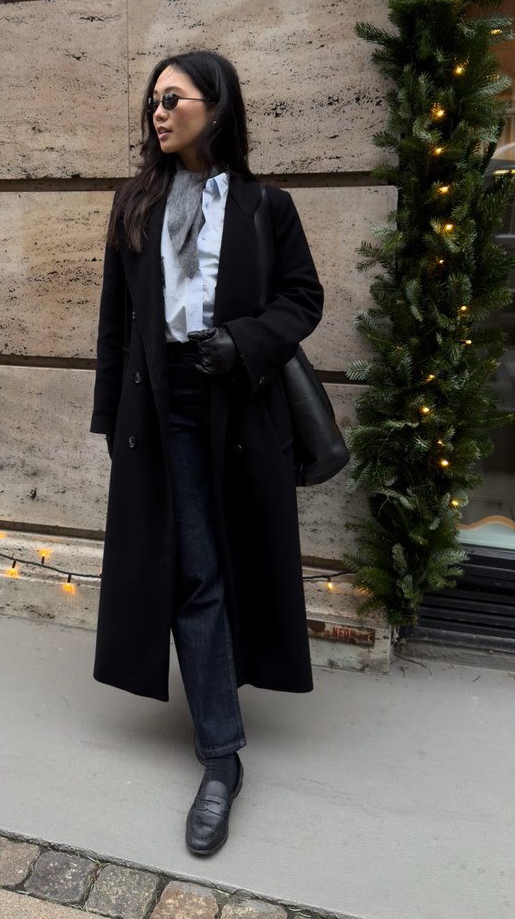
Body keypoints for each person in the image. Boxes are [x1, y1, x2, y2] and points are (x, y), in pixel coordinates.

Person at [90, 50, 324, 856]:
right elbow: (116, 324)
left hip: (240, 404)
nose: (159, 112)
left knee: (235, 563)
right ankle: (220, 758)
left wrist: (245, 343)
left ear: (216, 107)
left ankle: (223, 720)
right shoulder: (134, 205)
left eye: (174, 99)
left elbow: (304, 297)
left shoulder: (267, 207)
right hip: (163, 413)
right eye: (152, 101)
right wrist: (111, 424)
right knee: (194, 570)